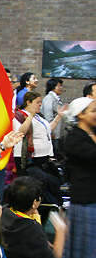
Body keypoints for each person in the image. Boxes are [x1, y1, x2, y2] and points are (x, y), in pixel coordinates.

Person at [13, 91, 64, 204]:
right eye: (37, 102)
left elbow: (48, 129)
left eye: (40, 102)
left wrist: (59, 116)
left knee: (54, 180)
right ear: (28, 102)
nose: (40, 104)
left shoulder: (39, 116)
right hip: (29, 158)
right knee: (40, 183)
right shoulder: (20, 115)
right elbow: (20, 132)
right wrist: (30, 115)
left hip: (43, 158)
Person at [63, 97, 96, 257]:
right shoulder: (75, 138)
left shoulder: (89, 135)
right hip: (86, 200)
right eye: (93, 111)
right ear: (80, 114)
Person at [0, 176, 66, 258]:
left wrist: (35, 213)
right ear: (34, 202)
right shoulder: (32, 230)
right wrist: (61, 231)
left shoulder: (3, 213)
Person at [41, 78, 65, 158]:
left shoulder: (55, 98)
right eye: (58, 86)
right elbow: (48, 116)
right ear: (52, 87)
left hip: (57, 132)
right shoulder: (49, 99)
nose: (61, 88)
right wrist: (51, 132)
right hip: (54, 133)